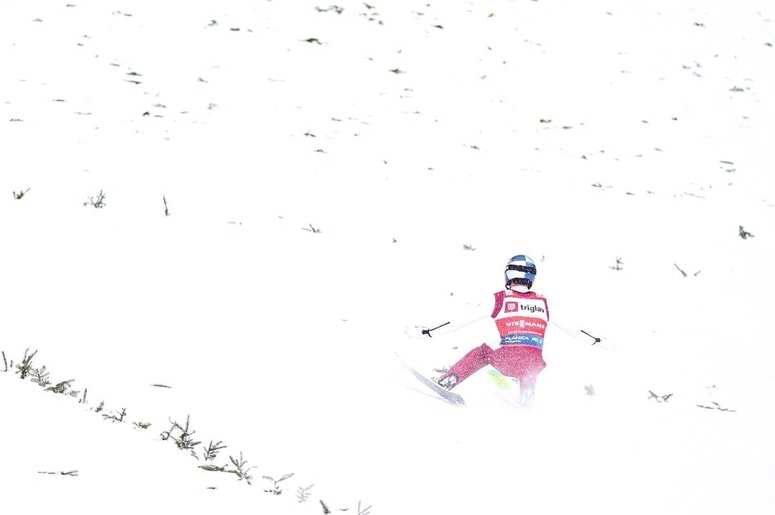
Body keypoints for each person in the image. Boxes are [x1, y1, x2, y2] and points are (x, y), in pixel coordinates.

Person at [412, 254, 549, 406]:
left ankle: (448, 380)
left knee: (484, 352)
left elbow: (460, 320)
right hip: (533, 364)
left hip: (508, 360)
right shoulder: (544, 301)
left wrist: (430, 331)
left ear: (508, 274)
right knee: (530, 359)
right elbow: (572, 328)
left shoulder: (500, 298)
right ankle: (526, 400)